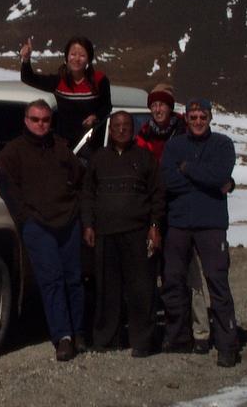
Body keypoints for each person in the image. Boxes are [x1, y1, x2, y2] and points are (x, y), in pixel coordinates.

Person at [0, 99, 85, 361]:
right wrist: (24, 217)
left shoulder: (60, 147)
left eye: (45, 120)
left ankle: (79, 332)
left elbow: (79, 176)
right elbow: (3, 181)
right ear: (26, 120)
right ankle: (63, 337)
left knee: (74, 280)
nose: (41, 124)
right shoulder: (14, 151)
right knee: (51, 280)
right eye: (35, 119)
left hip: (67, 220)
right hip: (37, 224)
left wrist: (76, 206)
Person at [160, 99, 240, 367]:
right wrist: (206, 181)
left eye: (201, 117)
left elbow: (221, 176)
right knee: (173, 280)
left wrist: (189, 169)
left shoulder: (222, 144)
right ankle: (179, 337)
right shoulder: (175, 146)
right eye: (192, 117)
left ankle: (228, 345)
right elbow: (168, 181)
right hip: (179, 223)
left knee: (217, 282)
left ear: (210, 118)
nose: (197, 121)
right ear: (186, 118)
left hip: (211, 224)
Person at [135, 83, 212, 354]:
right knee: (158, 273)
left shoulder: (184, 131)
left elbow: (192, 169)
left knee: (188, 272)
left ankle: (200, 330)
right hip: (152, 211)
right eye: (154, 104)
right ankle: (169, 329)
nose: (158, 108)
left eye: (163, 104)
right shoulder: (142, 135)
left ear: (171, 107)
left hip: (181, 210)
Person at [82, 111, 164, 357]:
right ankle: (107, 338)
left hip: (137, 233)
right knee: (107, 289)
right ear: (110, 129)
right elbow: (87, 194)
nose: (121, 130)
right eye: (116, 126)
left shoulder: (145, 158)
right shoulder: (99, 158)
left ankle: (143, 341)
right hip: (105, 234)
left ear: (133, 129)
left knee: (141, 289)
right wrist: (88, 224)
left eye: (126, 125)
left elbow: (158, 196)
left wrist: (155, 226)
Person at [19, 36, 112, 148]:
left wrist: (96, 116)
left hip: (91, 144)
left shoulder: (99, 80)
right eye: (73, 54)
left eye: (82, 55)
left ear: (89, 58)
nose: (77, 59)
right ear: (67, 57)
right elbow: (28, 78)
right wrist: (26, 59)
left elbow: (107, 106)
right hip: (63, 145)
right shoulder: (59, 81)